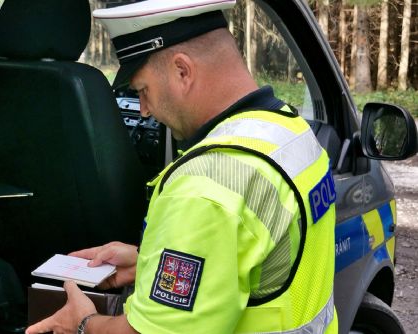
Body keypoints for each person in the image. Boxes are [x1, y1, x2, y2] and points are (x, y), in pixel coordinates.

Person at [26, 0, 338, 333]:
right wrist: (147, 260)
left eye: (143, 90)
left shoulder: (203, 187)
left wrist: (83, 322)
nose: (143, 110)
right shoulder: (291, 131)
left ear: (182, 71)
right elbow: (251, 256)